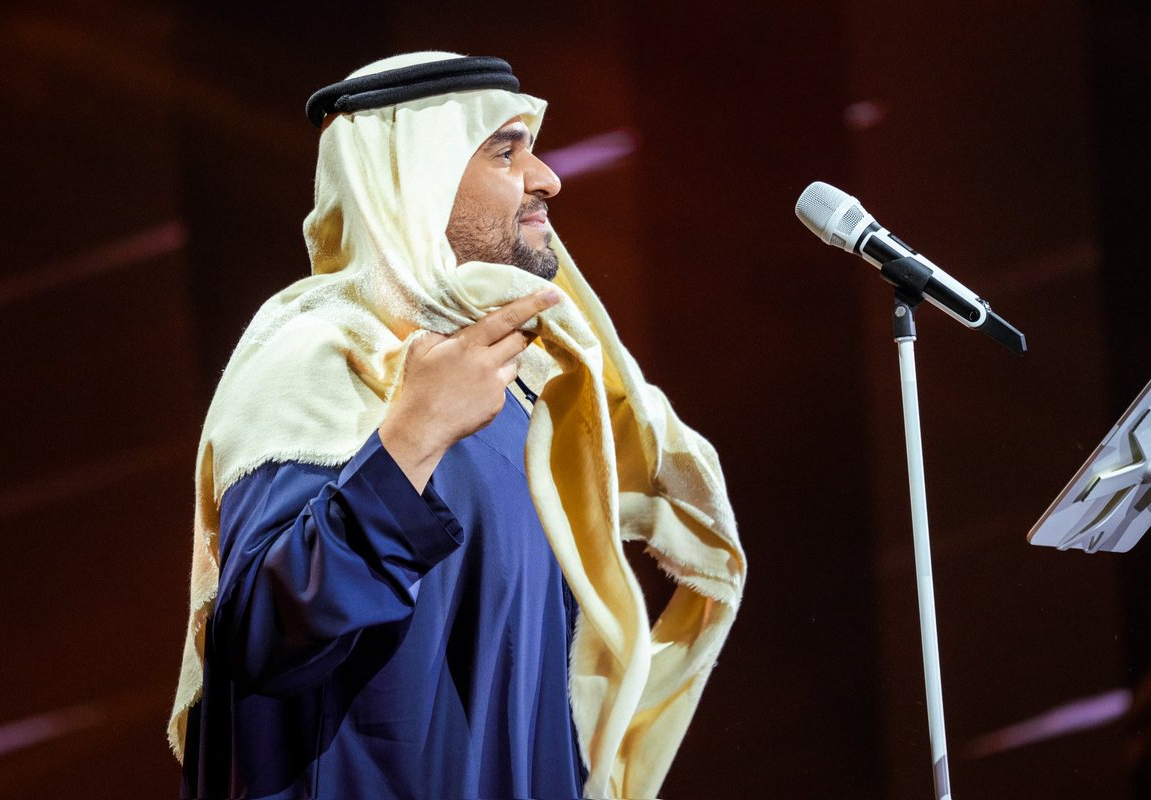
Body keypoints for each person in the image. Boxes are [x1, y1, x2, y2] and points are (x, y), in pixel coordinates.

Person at [169, 52, 746, 800]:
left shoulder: (519, 385)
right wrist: (412, 438)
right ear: (415, 180)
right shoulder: (319, 355)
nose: (547, 178)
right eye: (506, 151)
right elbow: (260, 637)